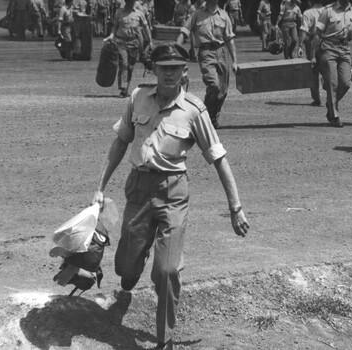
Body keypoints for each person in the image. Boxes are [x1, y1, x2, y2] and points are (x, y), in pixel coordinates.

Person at [91, 42, 250, 350]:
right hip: (138, 190)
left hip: (173, 194)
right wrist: (99, 187)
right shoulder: (138, 98)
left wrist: (236, 207)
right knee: (125, 270)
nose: (169, 74)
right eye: (163, 68)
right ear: (154, 70)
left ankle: (165, 340)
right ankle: (142, 253)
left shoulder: (194, 110)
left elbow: (219, 158)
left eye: (175, 68)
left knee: (166, 271)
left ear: (184, 71)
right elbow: (120, 142)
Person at [177, 0, 238, 129]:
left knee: (223, 90)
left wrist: (235, 61)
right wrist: (176, 50)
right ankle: (204, 116)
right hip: (206, 53)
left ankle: (212, 117)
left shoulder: (224, 15)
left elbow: (230, 39)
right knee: (214, 85)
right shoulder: (197, 14)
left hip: (222, 52)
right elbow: (184, 32)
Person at [311, 0, 352, 127]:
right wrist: (312, 56)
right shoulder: (328, 11)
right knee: (333, 84)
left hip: (344, 49)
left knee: (346, 83)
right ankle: (334, 116)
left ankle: (330, 103)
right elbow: (317, 34)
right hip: (328, 48)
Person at [104, 0, 153, 97]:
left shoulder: (139, 13)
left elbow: (146, 27)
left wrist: (150, 40)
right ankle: (123, 87)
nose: (130, 3)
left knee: (130, 66)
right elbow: (115, 26)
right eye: (128, 1)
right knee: (124, 64)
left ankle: (126, 88)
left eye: (132, 1)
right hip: (121, 42)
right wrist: (111, 36)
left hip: (134, 43)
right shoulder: (119, 13)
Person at [298, 0, 323, 106]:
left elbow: (304, 30)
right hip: (326, 43)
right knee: (328, 68)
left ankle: (316, 98)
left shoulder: (307, 13)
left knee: (313, 72)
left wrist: (300, 46)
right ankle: (331, 95)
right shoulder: (328, 11)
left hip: (311, 43)